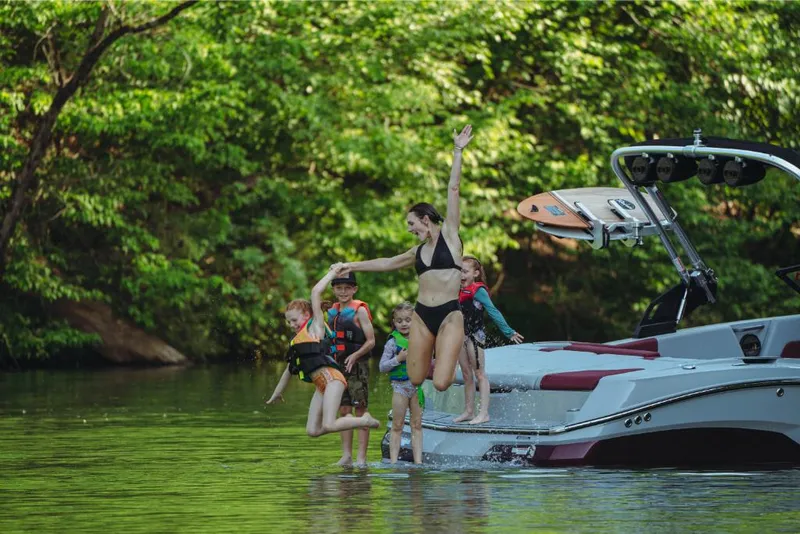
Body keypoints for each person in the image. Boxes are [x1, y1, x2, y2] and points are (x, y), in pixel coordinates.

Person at [332, 124, 474, 392]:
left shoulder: (451, 235)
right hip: (422, 314)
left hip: (449, 314)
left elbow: (453, 188)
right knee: (417, 378)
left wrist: (458, 151)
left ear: (425, 219)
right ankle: (433, 347)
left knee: (442, 383)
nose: (410, 230)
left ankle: (450, 349)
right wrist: (350, 265)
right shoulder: (417, 252)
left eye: (412, 224)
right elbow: (387, 263)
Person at [266, 267, 380, 441]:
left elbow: (316, 291)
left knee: (329, 424)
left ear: (307, 314)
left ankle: (364, 420)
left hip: (333, 379)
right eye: (288, 321)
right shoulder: (298, 343)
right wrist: (277, 393)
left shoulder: (315, 327)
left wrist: (333, 274)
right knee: (312, 431)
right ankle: (352, 421)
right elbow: (289, 370)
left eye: (294, 320)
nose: (291, 324)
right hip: (321, 385)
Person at [454, 256, 524, 425]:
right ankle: (469, 411)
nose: (461, 274)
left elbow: (493, 311)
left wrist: (508, 331)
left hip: (475, 336)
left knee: (479, 374)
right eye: (459, 271)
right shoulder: (456, 290)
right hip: (460, 336)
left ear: (475, 273)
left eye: (465, 271)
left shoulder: (478, 291)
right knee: (465, 374)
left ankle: (484, 413)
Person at [326, 271, 376, 466]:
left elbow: (371, 341)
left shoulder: (360, 311)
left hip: (357, 365)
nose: (343, 291)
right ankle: (346, 456)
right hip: (337, 365)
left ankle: (361, 458)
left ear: (354, 289)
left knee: (360, 409)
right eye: (339, 288)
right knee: (343, 408)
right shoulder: (331, 311)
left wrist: (355, 356)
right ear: (334, 290)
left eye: (347, 288)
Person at [379, 302, 423, 464]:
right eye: (399, 321)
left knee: (417, 424)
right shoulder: (392, 342)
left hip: (417, 388)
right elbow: (382, 367)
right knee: (397, 424)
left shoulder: (422, 339)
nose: (404, 324)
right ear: (394, 322)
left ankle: (418, 462)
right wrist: (398, 359)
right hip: (400, 387)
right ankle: (393, 462)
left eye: (407, 320)